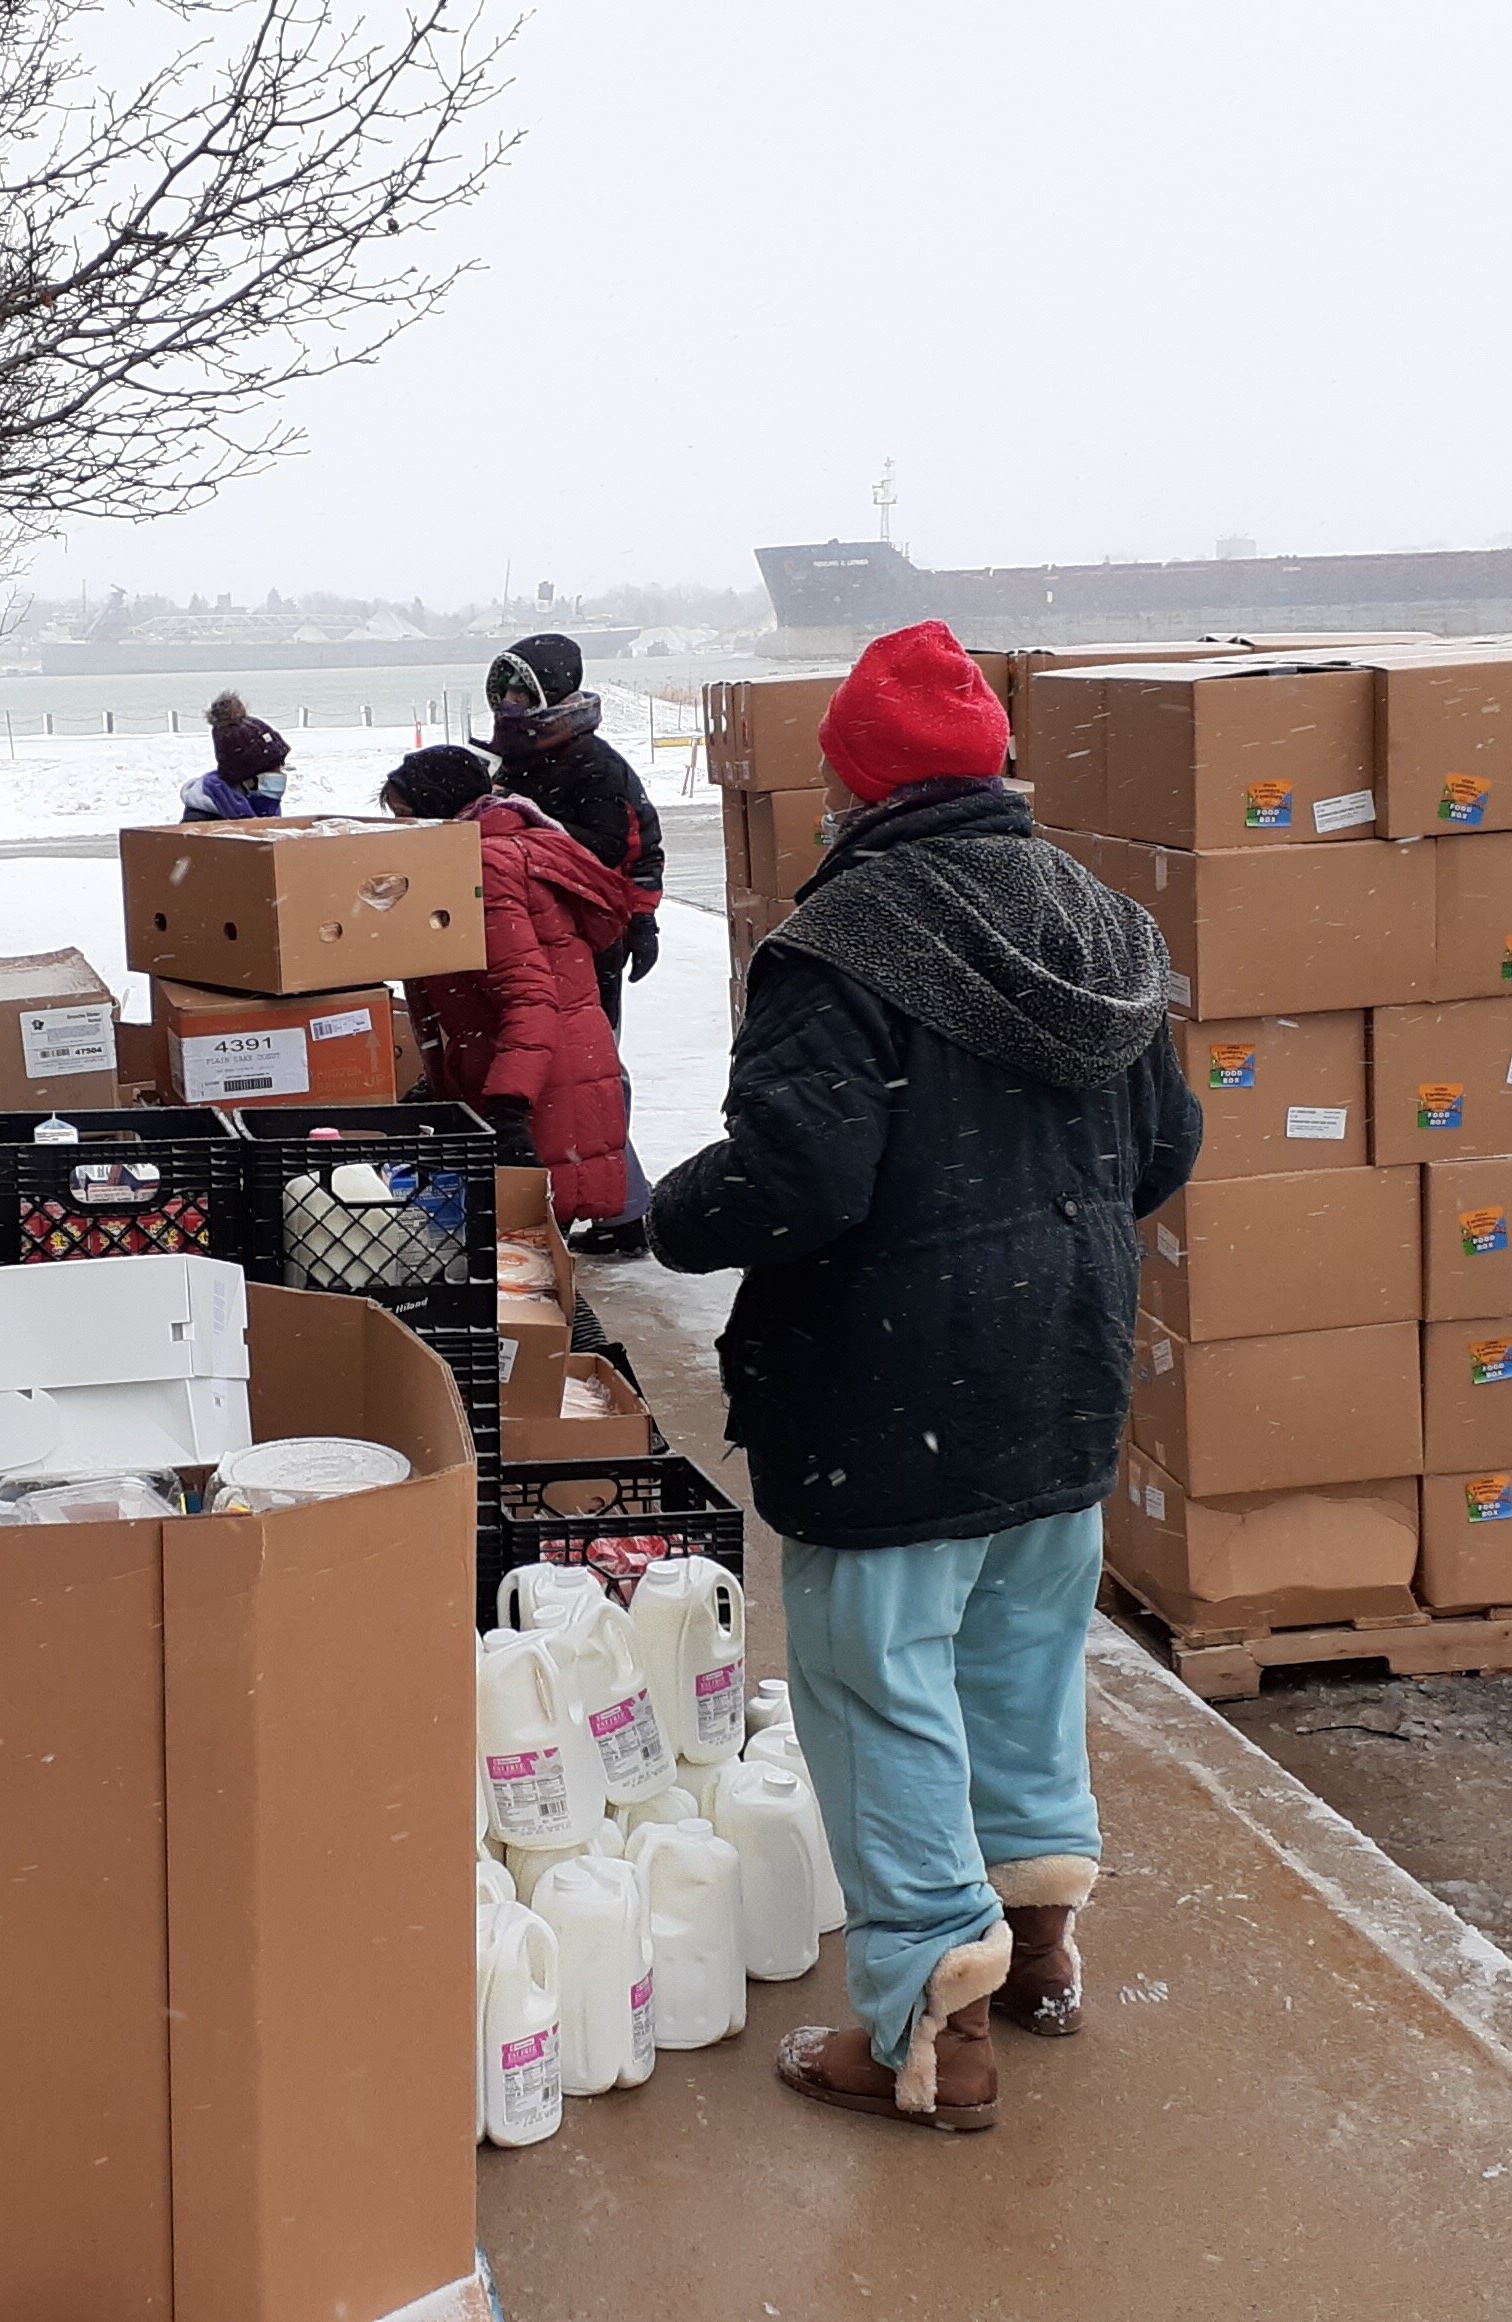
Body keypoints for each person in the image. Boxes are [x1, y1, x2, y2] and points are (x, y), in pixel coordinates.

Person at [647, 619, 1199, 2134]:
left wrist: (667, 1209)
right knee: (1021, 1666)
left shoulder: (850, 942)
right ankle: (1038, 1946)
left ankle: (923, 2034)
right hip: (1063, 1376)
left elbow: (798, 1180)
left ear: (853, 782)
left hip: (888, 1395)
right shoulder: (1101, 921)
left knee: (878, 1691)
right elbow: (1167, 1146)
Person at [376, 743, 639, 1220]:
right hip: (545, 1063)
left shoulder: (482, 866)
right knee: (529, 1262)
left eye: (406, 816)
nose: (399, 832)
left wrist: (509, 1108)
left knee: (530, 1258)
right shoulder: (490, 851)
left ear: (439, 809)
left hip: (540, 1081)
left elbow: (531, 998)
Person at [484, 632, 664, 1256]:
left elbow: (633, 846)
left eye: (519, 690)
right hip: (535, 932)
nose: (507, 703)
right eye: (501, 690)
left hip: (589, 937)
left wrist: (641, 921)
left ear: (549, 691)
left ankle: (622, 1208)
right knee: (566, 1072)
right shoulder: (515, 758)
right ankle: (600, 1201)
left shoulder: (595, 763)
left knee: (589, 1072)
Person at [181, 691, 291, 820]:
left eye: (280, 766)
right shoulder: (200, 825)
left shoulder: (263, 811)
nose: (279, 776)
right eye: (270, 771)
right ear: (243, 779)